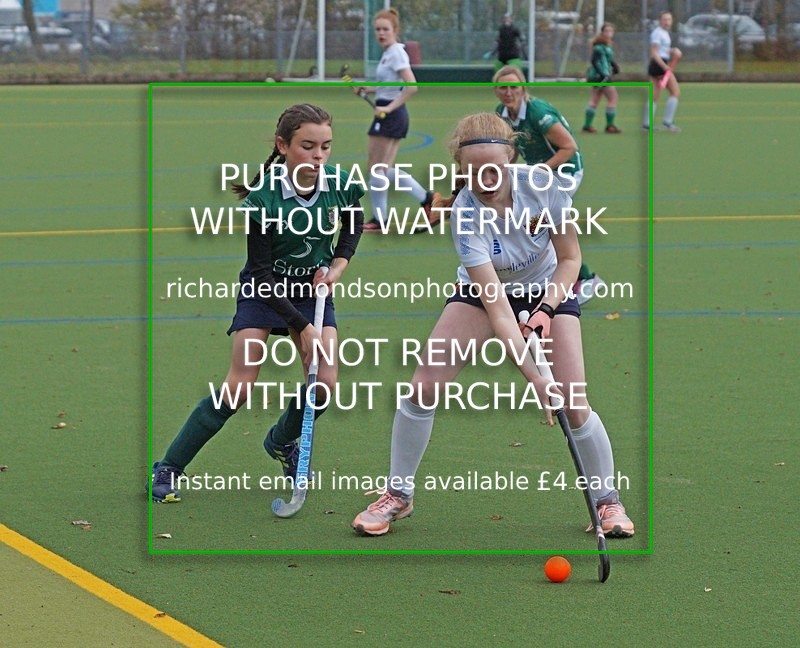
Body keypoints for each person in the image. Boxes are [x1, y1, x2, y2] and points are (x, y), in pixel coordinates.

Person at [352, 112, 635, 539]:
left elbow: (572, 259)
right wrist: (535, 377)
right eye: (475, 170)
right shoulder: (465, 215)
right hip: (486, 295)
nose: (486, 178)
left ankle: (607, 500)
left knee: (574, 400)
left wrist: (546, 309)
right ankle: (399, 493)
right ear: (461, 169)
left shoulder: (542, 185)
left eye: (495, 168)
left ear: (511, 158)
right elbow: (499, 310)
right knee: (423, 385)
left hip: (548, 287)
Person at [149, 103, 364, 503]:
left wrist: (338, 264)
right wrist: (304, 326)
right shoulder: (264, 200)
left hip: (311, 289)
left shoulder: (339, 181)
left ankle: (282, 440)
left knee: (324, 385)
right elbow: (263, 276)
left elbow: (352, 219)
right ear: (283, 146)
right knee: (238, 388)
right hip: (265, 292)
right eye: (308, 146)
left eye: (326, 147)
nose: (318, 156)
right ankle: (169, 466)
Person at [493, 64, 605, 304]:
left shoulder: (538, 113)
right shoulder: (501, 114)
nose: (508, 92)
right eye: (503, 87)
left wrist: (542, 170)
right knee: (528, 223)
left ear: (523, 89)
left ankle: (586, 278)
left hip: (564, 172)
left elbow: (570, 147)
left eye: (514, 86)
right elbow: (511, 150)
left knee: (540, 225)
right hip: (538, 176)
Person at [354, 7, 437, 233]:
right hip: (387, 113)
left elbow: (411, 85)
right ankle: (427, 199)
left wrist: (389, 107)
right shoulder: (388, 53)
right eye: (377, 30)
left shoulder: (397, 52)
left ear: (395, 30)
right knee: (380, 169)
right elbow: (388, 85)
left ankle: (384, 218)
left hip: (391, 115)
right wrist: (369, 89)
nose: (381, 33)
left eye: (385, 29)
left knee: (377, 170)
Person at [644, 11, 682, 133]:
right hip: (659, 64)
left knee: (654, 95)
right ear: (660, 20)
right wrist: (664, 67)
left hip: (660, 63)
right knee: (675, 92)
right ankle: (668, 122)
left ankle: (647, 125)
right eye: (665, 19)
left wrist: (673, 51)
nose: (667, 22)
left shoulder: (664, 33)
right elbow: (654, 52)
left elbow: (663, 50)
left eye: (669, 19)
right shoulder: (657, 33)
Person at [583, 23, 622, 134]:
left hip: (599, 76)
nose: (609, 33)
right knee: (613, 98)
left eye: (611, 31)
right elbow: (594, 61)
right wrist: (602, 74)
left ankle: (587, 126)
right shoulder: (599, 46)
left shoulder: (606, 46)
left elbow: (608, 60)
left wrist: (615, 67)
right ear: (602, 32)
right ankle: (610, 126)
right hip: (600, 76)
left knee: (595, 99)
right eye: (607, 31)